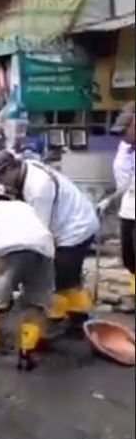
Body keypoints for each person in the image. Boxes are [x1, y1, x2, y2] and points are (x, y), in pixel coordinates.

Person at [0, 150, 101, 331]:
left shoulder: (39, 188)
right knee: (67, 278)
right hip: (64, 222)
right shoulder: (25, 171)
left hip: (75, 229)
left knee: (54, 278)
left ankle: (63, 320)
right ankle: (76, 318)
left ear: (12, 169)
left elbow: (39, 235)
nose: (0, 183)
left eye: (1, 177)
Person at [0, 184, 56, 371]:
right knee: (36, 303)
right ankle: (26, 355)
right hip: (44, 251)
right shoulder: (23, 206)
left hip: (10, 252)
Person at [99, 104, 135, 312]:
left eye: (124, 131)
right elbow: (125, 181)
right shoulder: (127, 148)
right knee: (129, 256)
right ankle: (133, 294)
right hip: (129, 209)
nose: (122, 137)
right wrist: (110, 199)